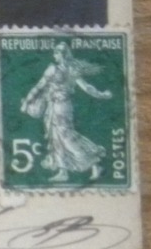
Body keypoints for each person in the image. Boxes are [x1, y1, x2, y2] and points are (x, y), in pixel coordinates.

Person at [21, 42, 113, 183]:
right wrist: (27, 101)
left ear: (62, 54)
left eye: (57, 53)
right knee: (55, 137)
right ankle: (63, 171)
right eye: (55, 53)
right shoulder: (55, 69)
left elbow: (86, 87)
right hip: (53, 106)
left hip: (63, 107)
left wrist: (101, 95)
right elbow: (40, 86)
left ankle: (94, 162)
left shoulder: (69, 70)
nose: (54, 55)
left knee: (66, 137)